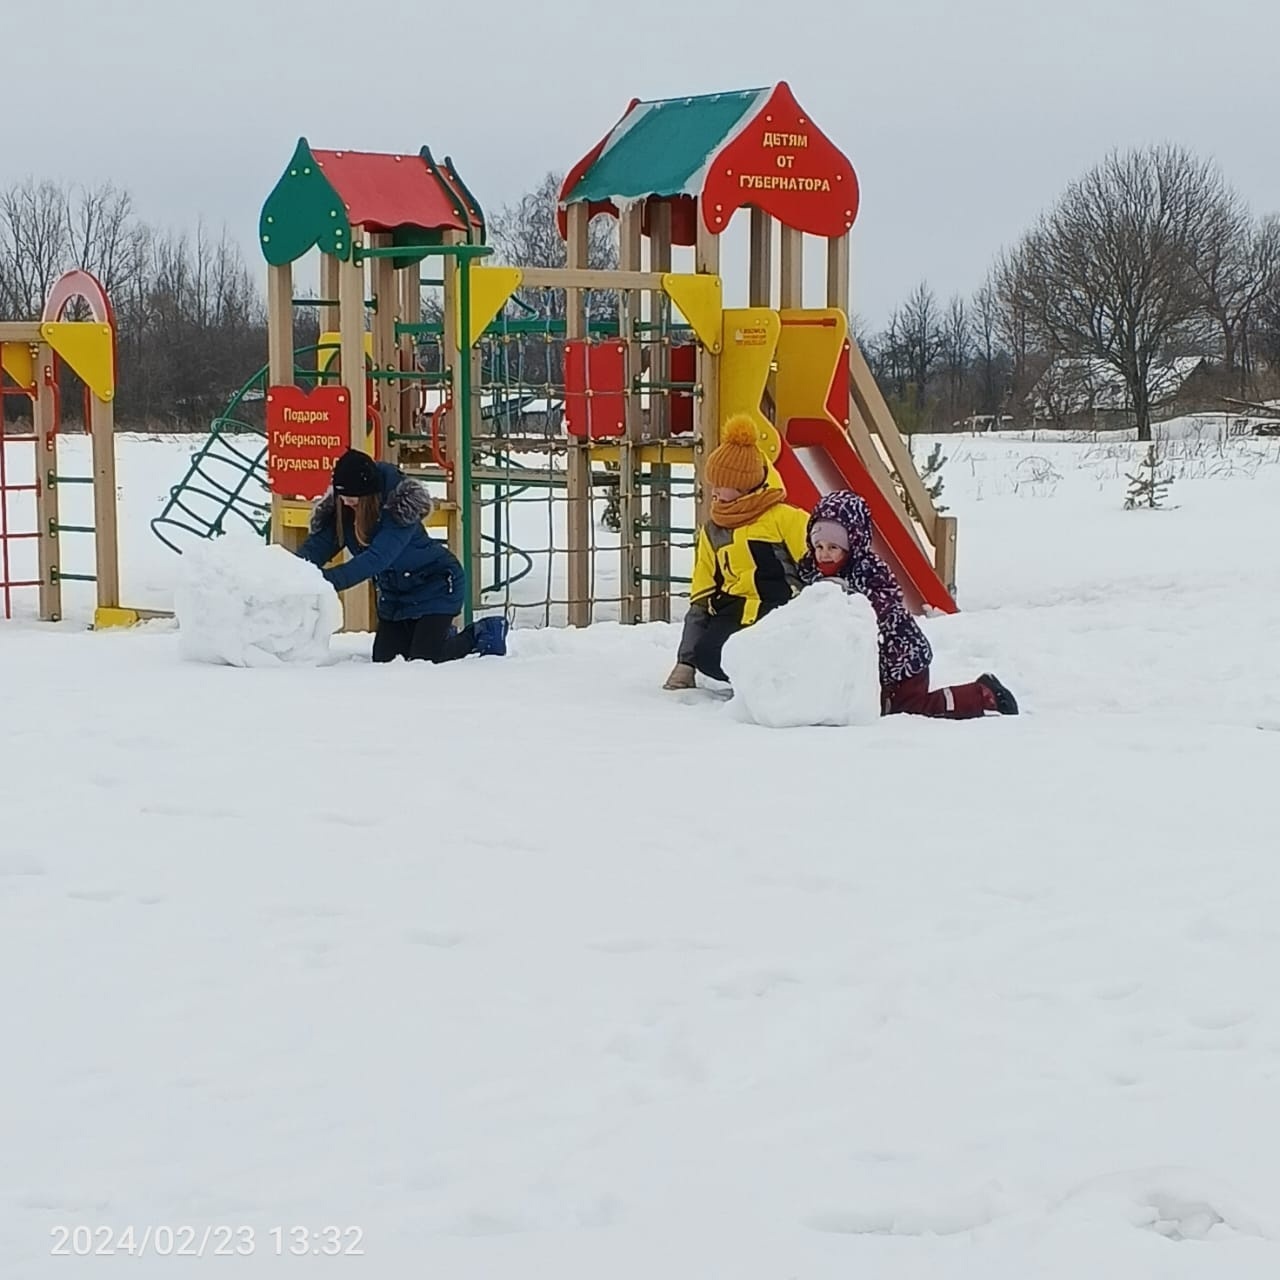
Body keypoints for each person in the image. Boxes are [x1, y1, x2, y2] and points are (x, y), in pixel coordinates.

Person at [797, 489, 1017, 717]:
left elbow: (885, 603)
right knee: (875, 707)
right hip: (869, 663)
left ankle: (982, 694)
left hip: (902, 658)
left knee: (913, 709)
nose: (824, 554)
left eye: (833, 548)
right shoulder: (810, 571)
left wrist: (852, 605)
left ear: (852, 544)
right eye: (819, 546)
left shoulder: (870, 571)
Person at [297, 448, 508, 664]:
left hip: (437, 586)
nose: (346, 503)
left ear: (368, 495)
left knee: (425, 659)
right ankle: (437, 635)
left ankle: (480, 633)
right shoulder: (344, 510)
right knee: (386, 661)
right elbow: (316, 549)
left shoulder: (399, 511)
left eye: (353, 498)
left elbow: (376, 559)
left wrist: (321, 583)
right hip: (395, 597)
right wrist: (291, 575)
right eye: (342, 496)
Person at [663, 415, 810, 689]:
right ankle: (758, 680)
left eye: (722, 485)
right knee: (709, 656)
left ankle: (783, 682)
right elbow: (702, 594)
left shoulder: (785, 519)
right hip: (733, 612)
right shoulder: (714, 530)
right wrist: (686, 662)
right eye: (713, 484)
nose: (714, 492)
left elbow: (817, 571)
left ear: (744, 486)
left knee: (783, 652)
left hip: (780, 612)